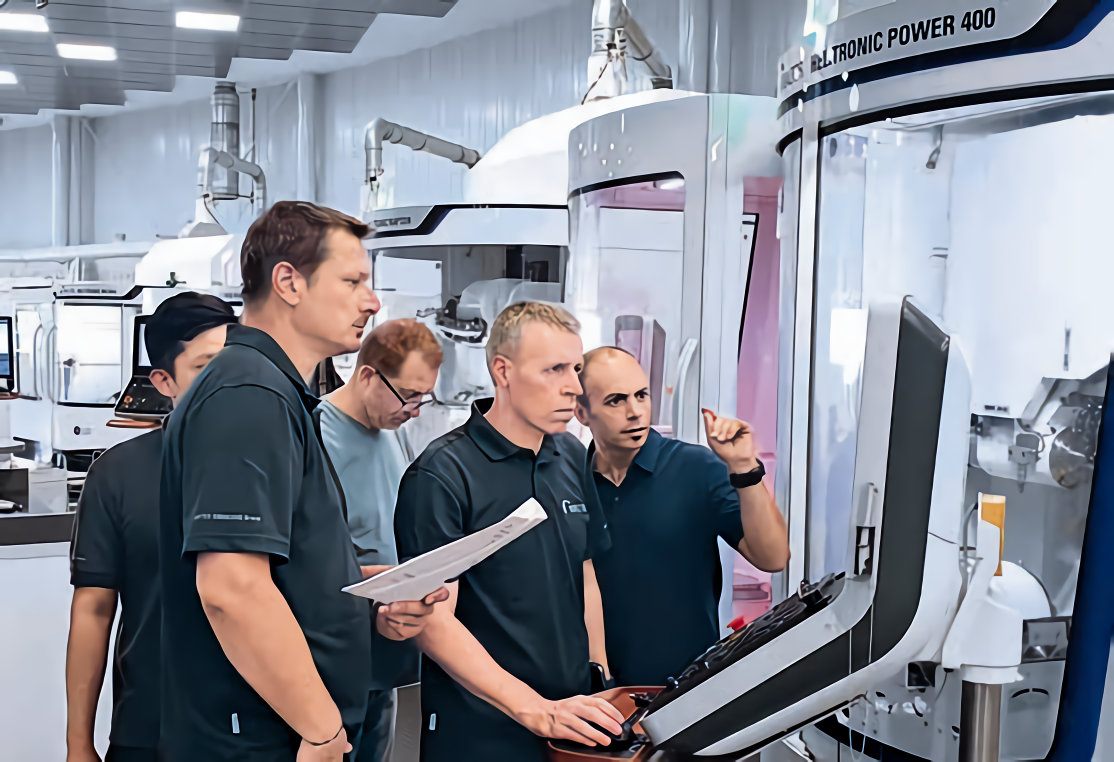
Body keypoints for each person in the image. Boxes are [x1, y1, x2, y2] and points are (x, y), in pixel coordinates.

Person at [158, 201, 447, 762]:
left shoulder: (277, 393)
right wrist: (321, 729)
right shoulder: (248, 395)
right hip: (264, 738)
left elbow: (284, 570)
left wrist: (372, 593)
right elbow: (231, 590)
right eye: (352, 281)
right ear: (288, 282)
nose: (372, 301)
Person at [394, 301, 626, 762]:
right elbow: (433, 622)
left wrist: (598, 675)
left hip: (570, 724)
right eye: (554, 369)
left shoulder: (570, 455)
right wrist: (535, 710)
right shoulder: (443, 474)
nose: (574, 387)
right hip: (481, 732)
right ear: (503, 371)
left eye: (576, 369)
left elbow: (583, 573)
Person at [66, 292, 237, 762]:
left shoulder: (283, 462)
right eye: (205, 367)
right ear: (164, 381)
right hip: (151, 725)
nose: (227, 382)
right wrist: (78, 743)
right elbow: (93, 609)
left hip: (264, 724)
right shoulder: (118, 474)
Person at [574, 346, 790, 688]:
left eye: (641, 395)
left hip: (688, 691)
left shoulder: (696, 468)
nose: (635, 412)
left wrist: (744, 469)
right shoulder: (569, 482)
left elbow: (773, 557)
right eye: (616, 400)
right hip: (597, 694)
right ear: (581, 412)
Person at [316, 318, 444, 762]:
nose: (415, 410)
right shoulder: (317, 434)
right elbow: (306, 562)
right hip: (333, 654)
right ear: (368, 375)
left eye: (423, 397)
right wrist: (385, 577)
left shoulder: (393, 434)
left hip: (385, 648)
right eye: (408, 395)